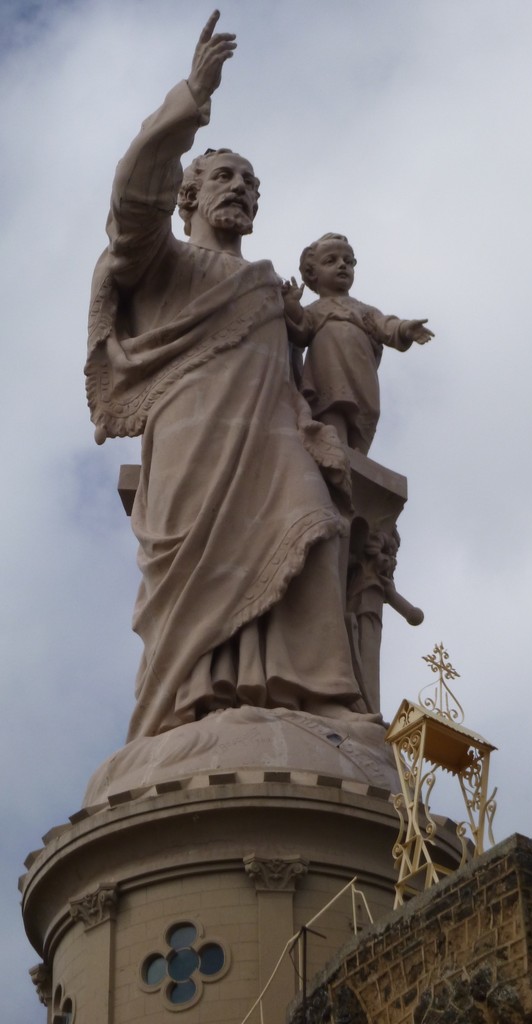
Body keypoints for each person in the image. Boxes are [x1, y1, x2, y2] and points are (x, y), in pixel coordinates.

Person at [85, 12, 364, 740]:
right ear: (191, 196)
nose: (239, 188)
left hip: (275, 439)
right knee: (206, 575)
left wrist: (320, 426)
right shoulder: (162, 264)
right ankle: (194, 696)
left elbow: (291, 374)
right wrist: (191, 100)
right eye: (224, 177)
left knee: (319, 532)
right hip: (196, 444)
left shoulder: (271, 288)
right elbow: (130, 200)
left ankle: (314, 691)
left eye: (250, 182)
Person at [282, 233, 433, 455]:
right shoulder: (315, 309)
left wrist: (405, 328)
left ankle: (355, 460)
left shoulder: (363, 310)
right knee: (331, 414)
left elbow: (386, 325)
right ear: (312, 273)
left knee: (361, 425)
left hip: (361, 377)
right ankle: (334, 453)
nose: (342, 265)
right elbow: (301, 331)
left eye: (348, 261)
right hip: (327, 376)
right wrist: (292, 306)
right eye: (331, 261)